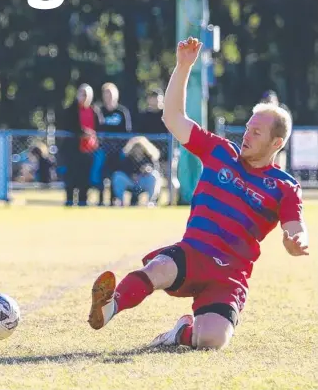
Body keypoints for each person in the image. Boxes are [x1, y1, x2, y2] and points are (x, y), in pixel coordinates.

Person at [87, 37, 309, 350]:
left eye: (256, 132)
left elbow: (295, 226)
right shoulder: (220, 151)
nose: (246, 134)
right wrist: (183, 67)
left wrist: (297, 240)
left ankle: (180, 333)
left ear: (276, 143)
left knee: (212, 340)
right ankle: (110, 306)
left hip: (229, 275)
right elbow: (173, 118)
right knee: (159, 269)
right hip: (193, 253)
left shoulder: (284, 186)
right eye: (248, 127)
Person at [95, 83, 132, 206]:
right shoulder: (99, 111)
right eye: (106, 94)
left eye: (111, 94)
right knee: (101, 173)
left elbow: (127, 132)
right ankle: (100, 199)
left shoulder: (122, 112)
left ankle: (114, 199)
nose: (108, 97)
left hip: (118, 150)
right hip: (103, 149)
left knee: (115, 174)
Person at [111, 136, 162, 207]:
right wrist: (131, 175)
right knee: (117, 176)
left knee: (154, 175)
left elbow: (154, 168)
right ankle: (120, 201)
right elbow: (122, 169)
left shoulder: (149, 157)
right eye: (136, 147)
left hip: (143, 181)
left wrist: (147, 170)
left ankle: (151, 201)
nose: (138, 149)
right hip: (130, 181)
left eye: (140, 147)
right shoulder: (127, 157)